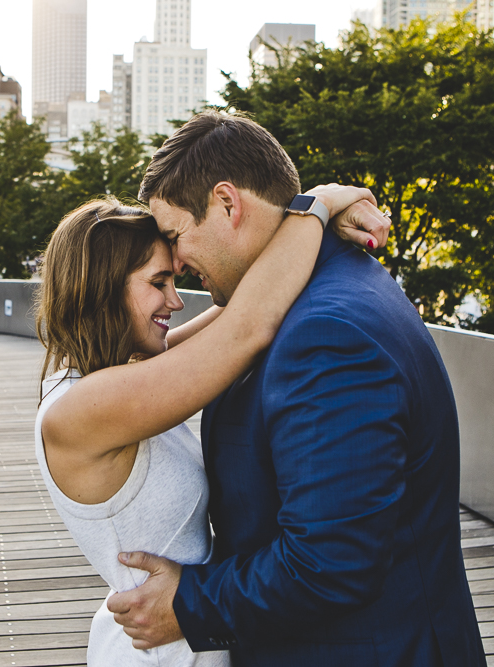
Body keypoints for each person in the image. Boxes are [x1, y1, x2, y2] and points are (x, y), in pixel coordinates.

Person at [106, 111, 488, 666]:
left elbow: (328, 561)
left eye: (174, 237)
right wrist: (323, 204)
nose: (176, 263)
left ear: (227, 204)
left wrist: (189, 604)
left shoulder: (325, 335)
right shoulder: (317, 286)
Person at [33, 189, 388, 666]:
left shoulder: (118, 373)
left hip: (182, 637)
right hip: (159, 654)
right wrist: (319, 202)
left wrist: (307, 225)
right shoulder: (84, 408)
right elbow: (246, 327)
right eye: (158, 282)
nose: (175, 301)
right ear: (103, 287)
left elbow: (242, 305)